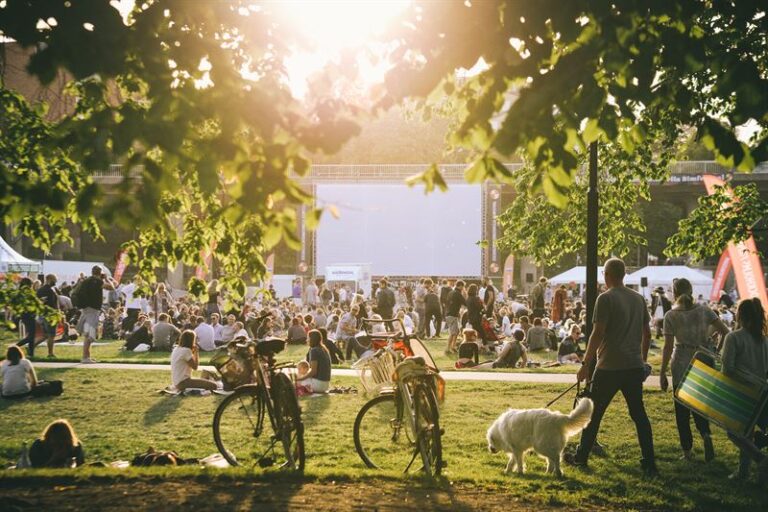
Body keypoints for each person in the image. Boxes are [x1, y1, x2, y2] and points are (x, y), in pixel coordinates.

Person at [568, 258, 658, 476]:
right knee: (639, 415)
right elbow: (647, 334)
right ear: (624, 274)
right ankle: (649, 461)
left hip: (609, 365)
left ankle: (581, 457)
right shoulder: (638, 299)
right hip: (633, 365)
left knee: (594, 414)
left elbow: (598, 333)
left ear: (607, 275)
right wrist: (643, 360)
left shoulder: (605, 299)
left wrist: (586, 364)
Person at [660, 278, 729, 462]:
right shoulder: (705, 310)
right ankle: (705, 434)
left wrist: (661, 373)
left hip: (681, 361)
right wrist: (715, 349)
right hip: (703, 360)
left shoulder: (671, 316)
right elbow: (726, 332)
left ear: (674, 294)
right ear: (691, 290)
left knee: (681, 408)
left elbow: (667, 347)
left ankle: (687, 451)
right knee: (699, 405)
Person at [721, 298, 768, 482]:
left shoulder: (733, 338)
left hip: (741, 393)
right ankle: (744, 472)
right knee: (747, 433)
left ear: (740, 315)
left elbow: (727, 370)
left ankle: (760, 460)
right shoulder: (764, 341)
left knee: (735, 433)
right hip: (762, 393)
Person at [74, 265, 114, 363]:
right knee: (89, 334)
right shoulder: (98, 282)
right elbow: (112, 287)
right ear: (100, 273)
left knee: (88, 333)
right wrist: (106, 278)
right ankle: (85, 357)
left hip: (85, 309)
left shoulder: (86, 281)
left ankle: (87, 356)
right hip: (93, 310)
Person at [36, 274, 60, 358]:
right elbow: (53, 304)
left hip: (42, 315)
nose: (56, 281)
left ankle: (31, 347)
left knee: (45, 335)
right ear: (49, 279)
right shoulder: (50, 290)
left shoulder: (40, 290)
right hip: (50, 316)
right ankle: (50, 353)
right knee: (51, 335)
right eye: (54, 279)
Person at [444, 280, 466, 354]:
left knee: (454, 332)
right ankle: (451, 348)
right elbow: (465, 302)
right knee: (454, 333)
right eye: (463, 286)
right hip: (453, 315)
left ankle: (449, 347)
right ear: (460, 286)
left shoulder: (450, 292)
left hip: (448, 314)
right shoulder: (457, 293)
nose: (463, 288)